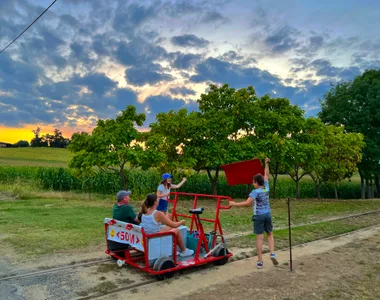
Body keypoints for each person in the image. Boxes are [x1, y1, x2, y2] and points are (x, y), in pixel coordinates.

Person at [230, 158, 278, 269]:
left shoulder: (255, 192)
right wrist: (266, 163)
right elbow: (267, 175)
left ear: (256, 182)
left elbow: (247, 203)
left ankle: (260, 261)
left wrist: (234, 204)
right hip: (268, 214)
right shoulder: (266, 187)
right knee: (270, 234)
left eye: (253, 181)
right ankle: (272, 253)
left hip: (259, 216)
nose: (252, 183)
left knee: (259, 238)